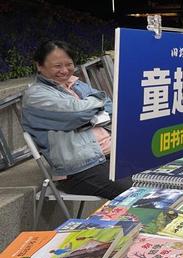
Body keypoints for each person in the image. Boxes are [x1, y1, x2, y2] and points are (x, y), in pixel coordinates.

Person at [22, 40, 132, 199]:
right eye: (57, 66)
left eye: (69, 64)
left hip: (112, 154)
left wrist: (89, 109)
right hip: (81, 169)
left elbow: (110, 106)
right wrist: (96, 103)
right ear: (39, 65)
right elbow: (77, 114)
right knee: (139, 192)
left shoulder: (76, 84)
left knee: (158, 178)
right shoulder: (36, 96)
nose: (64, 70)